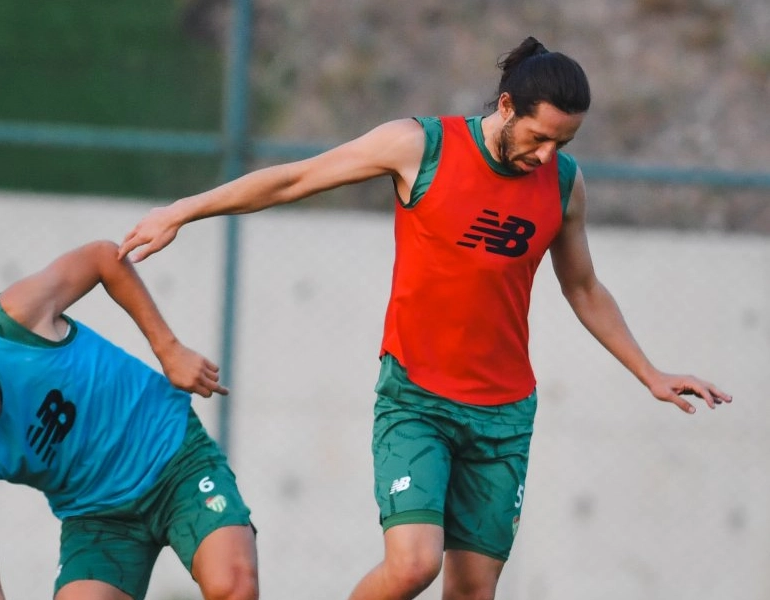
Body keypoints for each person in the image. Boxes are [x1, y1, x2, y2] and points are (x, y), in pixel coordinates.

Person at [118, 36, 731, 600]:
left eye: (562, 144)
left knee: (472, 591)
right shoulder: (420, 146)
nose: (547, 154)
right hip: (417, 398)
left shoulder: (563, 184)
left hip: (504, 414)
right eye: (539, 137)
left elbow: (584, 287)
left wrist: (649, 372)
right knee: (414, 564)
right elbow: (293, 180)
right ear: (508, 105)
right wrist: (182, 210)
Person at [0, 240, 258, 600]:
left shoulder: (14, 322)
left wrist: (168, 349)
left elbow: (102, 258)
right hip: (98, 518)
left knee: (233, 588)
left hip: (174, 458)